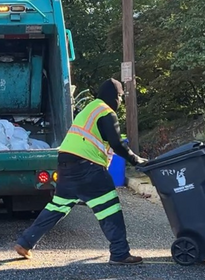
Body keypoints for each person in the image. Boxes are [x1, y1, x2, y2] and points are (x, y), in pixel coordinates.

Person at [13, 78, 148, 265]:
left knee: (57, 207)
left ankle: (25, 242)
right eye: (120, 97)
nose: (120, 102)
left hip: (66, 166)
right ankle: (120, 253)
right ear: (115, 96)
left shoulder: (89, 110)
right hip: (88, 168)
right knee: (110, 209)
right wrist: (136, 160)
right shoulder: (106, 112)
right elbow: (117, 144)